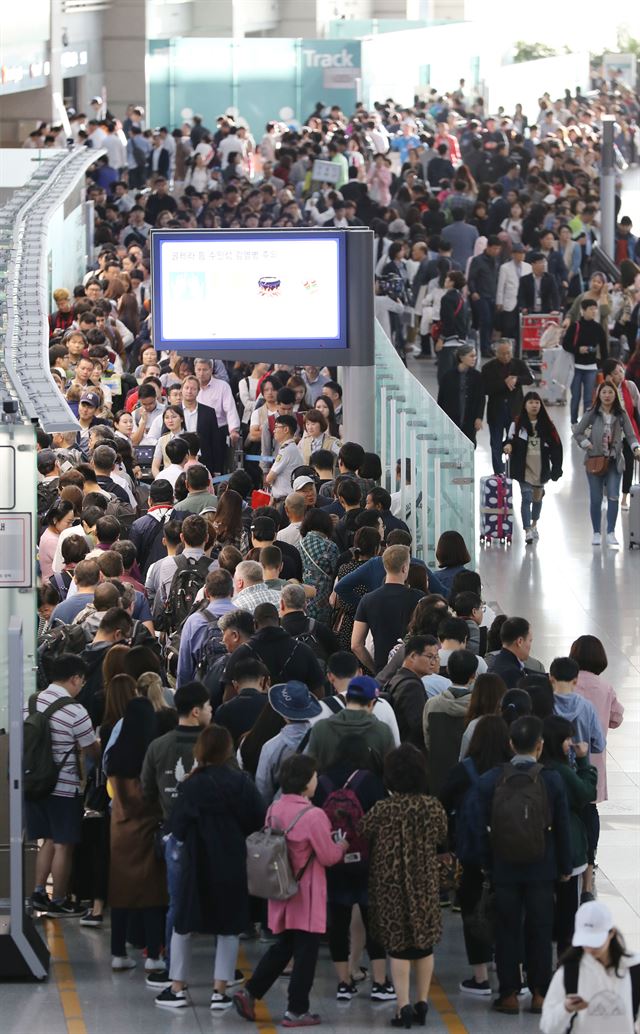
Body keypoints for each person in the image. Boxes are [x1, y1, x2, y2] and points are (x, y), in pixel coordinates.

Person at [233, 753, 347, 1027]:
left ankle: (249, 992)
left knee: (283, 947)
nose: (317, 780)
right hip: (306, 894)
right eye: (314, 776)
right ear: (306, 782)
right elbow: (328, 856)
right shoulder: (314, 815)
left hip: (281, 889)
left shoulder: (274, 808)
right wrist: (341, 845)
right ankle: (297, 1010)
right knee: (306, 953)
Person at [156, 725, 265, 1010]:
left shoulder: (191, 785)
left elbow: (177, 828)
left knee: (184, 923)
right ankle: (220, 991)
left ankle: (177, 988)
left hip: (197, 862)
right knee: (229, 926)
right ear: (227, 750)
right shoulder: (241, 782)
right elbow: (258, 818)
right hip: (232, 861)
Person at [477, 715, 572, 1015]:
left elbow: (482, 826)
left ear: (510, 744)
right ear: (540, 746)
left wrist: (486, 864)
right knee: (540, 930)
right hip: (541, 868)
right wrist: (565, 866)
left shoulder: (492, 779)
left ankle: (508, 994)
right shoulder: (552, 779)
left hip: (504, 867)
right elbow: (563, 827)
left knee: (506, 930)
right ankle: (540, 994)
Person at [360, 744, 448, 1027]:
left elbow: (363, 829)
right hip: (424, 881)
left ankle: (403, 1006)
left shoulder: (383, 808)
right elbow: (442, 834)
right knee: (424, 946)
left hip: (389, 884)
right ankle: (422, 1001)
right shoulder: (432, 807)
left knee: (397, 947)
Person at [312, 736, 393, 1002]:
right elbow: (381, 819)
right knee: (374, 922)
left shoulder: (322, 782)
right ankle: (381, 983)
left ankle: (344, 982)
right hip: (367, 861)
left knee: (338, 922)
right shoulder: (370, 780)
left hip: (334, 859)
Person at [439, 715, 512, 996]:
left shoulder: (464, 770)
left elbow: (442, 803)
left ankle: (480, 977)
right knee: (509, 910)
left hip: (471, 853)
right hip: (510, 852)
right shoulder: (512, 771)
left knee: (474, 909)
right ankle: (511, 970)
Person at [27, 654, 100, 917]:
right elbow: (91, 750)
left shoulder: (31, 702)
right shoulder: (75, 710)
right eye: (82, 680)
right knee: (64, 844)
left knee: (47, 839)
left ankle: (38, 893)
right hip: (63, 787)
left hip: (33, 784)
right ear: (75, 678)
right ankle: (58, 900)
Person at [105, 695, 167, 974]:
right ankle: (153, 954)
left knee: (121, 894)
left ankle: (118, 953)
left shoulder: (116, 754)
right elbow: (152, 797)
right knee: (153, 896)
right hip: (147, 830)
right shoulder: (150, 751)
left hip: (120, 831)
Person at [541, 715, 598, 956]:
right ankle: (565, 961)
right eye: (567, 738)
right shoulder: (562, 771)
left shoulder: (539, 768)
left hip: (539, 849)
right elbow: (585, 793)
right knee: (566, 910)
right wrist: (585, 761)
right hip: (568, 850)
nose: (570, 743)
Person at [540, 900, 640, 1034]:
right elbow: (547, 1026)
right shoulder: (569, 972)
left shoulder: (634, 968)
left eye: (596, 942)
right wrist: (565, 1008)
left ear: (612, 933)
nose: (590, 948)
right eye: (585, 942)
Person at [572, 381, 640, 548]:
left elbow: (631, 435)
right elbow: (577, 432)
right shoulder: (592, 413)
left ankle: (610, 532)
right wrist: (586, 443)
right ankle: (596, 532)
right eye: (604, 392)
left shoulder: (621, 414)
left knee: (613, 496)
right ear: (599, 395)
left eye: (610, 392)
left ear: (615, 395)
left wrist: (636, 448)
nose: (607, 395)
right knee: (595, 499)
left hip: (614, 461)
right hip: (594, 460)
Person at [351, 544, 424, 674]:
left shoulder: (368, 599)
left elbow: (356, 645)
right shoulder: (418, 598)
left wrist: (378, 671)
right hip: (412, 670)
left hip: (382, 668)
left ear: (385, 566)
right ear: (404, 568)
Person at [503, 391, 563, 543]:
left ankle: (534, 524)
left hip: (541, 469)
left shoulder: (548, 426)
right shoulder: (516, 424)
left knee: (537, 499)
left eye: (537, 402)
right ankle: (527, 529)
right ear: (525, 405)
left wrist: (557, 468)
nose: (534, 405)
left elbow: (557, 447)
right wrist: (508, 445)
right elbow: (508, 440)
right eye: (531, 402)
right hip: (523, 468)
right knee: (526, 498)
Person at [423, 649, 478, 796]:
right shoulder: (477, 708)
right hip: (468, 778)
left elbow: (427, 741)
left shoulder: (432, 704)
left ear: (447, 670)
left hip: (437, 776)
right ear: (473, 675)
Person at [482, 339, 535, 474]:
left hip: (515, 411)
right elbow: (485, 389)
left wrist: (516, 379)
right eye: (502, 353)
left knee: (515, 442)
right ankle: (499, 473)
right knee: (495, 444)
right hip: (496, 412)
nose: (506, 356)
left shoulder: (519, 364)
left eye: (508, 353)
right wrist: (504, 383)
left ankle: (514, 469)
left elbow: (530, 378)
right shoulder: (487, 368)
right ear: (496, 353)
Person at [563, 298, 609, 426]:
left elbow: (604, 349)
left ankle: (586, 422)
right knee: (576, 396)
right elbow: (565, 344)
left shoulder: (598, 328)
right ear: (583, 310)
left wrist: (605, 367)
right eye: (590, 309)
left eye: (595, 309)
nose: (593, 312)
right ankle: (573, 422)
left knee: (589, 398)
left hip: (591, 367)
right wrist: (578, 349)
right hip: (576, 367)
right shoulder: (575, 326)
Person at [437, 343, 485, 446]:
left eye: (475, 356)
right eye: (471, 356)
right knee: (452, 445)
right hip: (452, 417)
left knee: (469, 444)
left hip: (470, 417)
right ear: (462, 357)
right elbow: (441, 398)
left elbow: (481, 398)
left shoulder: (477, 376)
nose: (474, 358)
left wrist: (479, 417)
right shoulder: (448, 376)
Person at [298, 509, 339, 625]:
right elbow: (337, 572)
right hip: (324, 599)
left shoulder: (299, 544)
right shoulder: (330, 546)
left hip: (303, 598)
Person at [489, 616, 533, 688]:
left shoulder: (497, 661)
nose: (530, 646)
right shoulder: (512, 674)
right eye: (530, 640)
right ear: (520, 641)